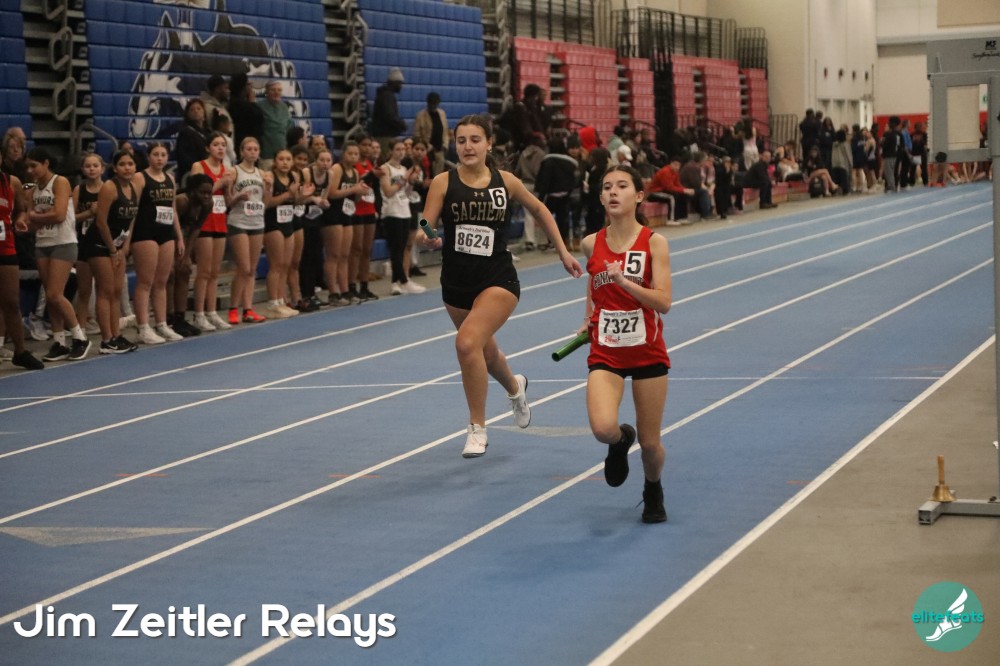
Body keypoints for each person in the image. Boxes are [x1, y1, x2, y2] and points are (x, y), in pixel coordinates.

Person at [418, 114, 583, 458]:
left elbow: (540, 210)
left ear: (489, 143)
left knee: (466, 344)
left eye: (475, 139)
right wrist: (427, 235)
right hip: (456, 283)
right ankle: (515, 386)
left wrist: (563, 251)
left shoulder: (505, 181)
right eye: (461, 140)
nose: (468, 146)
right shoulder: (443, 182)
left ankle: (477, 428)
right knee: (485, 353)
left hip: (498, 279)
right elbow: (425, 222)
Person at [579, 164, 671, 523]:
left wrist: (625, 283)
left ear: (639, 196)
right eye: (607, 187)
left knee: (650, 444)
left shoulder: (654, 243)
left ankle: (653, 487)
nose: (613, 192)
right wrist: (587, 316)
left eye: (621, 186)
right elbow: (593, 283)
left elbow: (664, 301)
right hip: (606, 351)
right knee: (603, 428)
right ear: (601, 197)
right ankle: (619, 441)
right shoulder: (591, 243)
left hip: (647, 351)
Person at [25, 147, 91, 361]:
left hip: (63, 242)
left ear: (46, 163)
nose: (30, 170)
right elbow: (31, 221)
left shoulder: (59, 182)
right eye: (27, 167)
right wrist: (27, 222)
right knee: (51, 295)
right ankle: (59, 341)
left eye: (34, 166)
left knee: (54, 294)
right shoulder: (33, 191)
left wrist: (35, 216)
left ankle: (80, 338)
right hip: (43, 243)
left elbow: (60, 214)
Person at [84, 149, 140, 353]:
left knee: (116, 291)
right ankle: (106, 339)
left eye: (130, 164)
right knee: (105, 291)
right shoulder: (109, 187)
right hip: (99, 244)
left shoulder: (133, 187)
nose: (127, 168)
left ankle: (116, 335)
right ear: (115, 168)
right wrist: (112, 249)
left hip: (118, 245)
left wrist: (125, 246)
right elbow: (101, 221)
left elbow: (131, 219)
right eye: (122, 164)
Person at [188, 132, 233, 332]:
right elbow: (197, 194)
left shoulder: (227, 170)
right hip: (204, 223)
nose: (220, 148)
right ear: (208, 147)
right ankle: (199, 314)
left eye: (223, 144)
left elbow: (228, 201)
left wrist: (235, 194)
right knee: (204, 272)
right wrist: (220, 183)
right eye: (216, 144)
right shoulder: (199, 166)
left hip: (220, 221)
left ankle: (212, 311)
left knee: (215, 272)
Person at [0, 169, 44, 369]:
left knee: (11, 301)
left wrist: (19, 219)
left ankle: (20, 352)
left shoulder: (12, 181)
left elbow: (21, 209)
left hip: (5, 246)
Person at [226, 137, 268, 324]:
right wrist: (239, 197)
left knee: (251, 270)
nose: (252, 152)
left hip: (257, 222)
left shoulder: (262, 174)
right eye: (249, 149)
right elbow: (227, 202)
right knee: (243, 268)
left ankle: (248, 309)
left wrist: (269, 187)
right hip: (239, 222)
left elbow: (265, 201)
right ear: (242, 151)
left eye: (255, 149)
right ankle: (233, 308)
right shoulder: (234, 171)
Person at [261, 148, 305, 319]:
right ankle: (273, 303)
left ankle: (281, 300)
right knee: (276, 265)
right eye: (281, 159)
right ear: (275, 161)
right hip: (273, 224)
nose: (285, 162)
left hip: (288, 222)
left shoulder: (293, 177)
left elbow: (295, 201)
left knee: (286, 264)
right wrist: (288, 193)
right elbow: (266, 203)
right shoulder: (270, 177)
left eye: (288, 159)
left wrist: (302, 196)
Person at [380, 140, 425, 295]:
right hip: (392, 212)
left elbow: (405, 192)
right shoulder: (385, 168)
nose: (401, 152)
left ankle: (400, 281)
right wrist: (404, 179)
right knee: (395, 249)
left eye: (402, 149)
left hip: (405, 210)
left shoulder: (404, 169)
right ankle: (400, 281)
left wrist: (411, 181)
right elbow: (388, 191)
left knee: (403, 247)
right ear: (391, 151)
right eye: (397, 149)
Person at [413, 92, 450, 177]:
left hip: (440, 150)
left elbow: (445, 131)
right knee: (428, 175)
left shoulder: (442, 114)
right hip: (427, 151)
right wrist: (425, 145)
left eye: (435, 104)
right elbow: (416, 135)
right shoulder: (421, 115)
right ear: (428, 103)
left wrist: (445, 144)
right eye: (431, 104)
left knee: (439, 175)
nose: (433, 106)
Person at [257, 81, 292, 170]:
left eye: (279, 90)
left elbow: (288, 128)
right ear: (267, 91)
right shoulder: (259, 107)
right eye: (273, 90)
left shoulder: (284, 107)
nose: (276, 92)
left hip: (282, 154)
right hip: (266, 155)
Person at [371, 68, 407, 156]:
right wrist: (401, 124)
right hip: (385, 136)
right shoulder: (387, 96)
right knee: (386, 157)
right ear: (394, 83)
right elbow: (389, 116)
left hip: (382, 135)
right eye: (400, 83)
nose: (401, 86)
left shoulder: (384, 95)